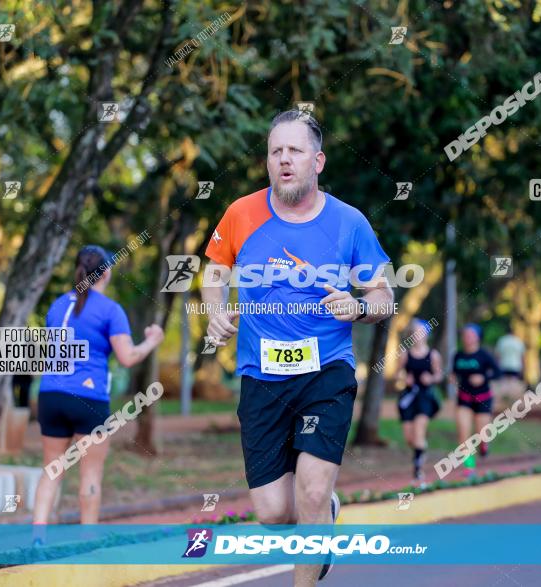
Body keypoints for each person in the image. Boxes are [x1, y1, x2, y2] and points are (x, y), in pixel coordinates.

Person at [202, 110, 394, 585]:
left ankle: (312, 538)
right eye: (276, 152)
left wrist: (359, 306)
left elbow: (385, 296)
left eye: (295, 151)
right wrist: (215, 310)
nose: (284, 160)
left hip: (326, 371)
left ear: (318, 160)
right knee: (272, 513)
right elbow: (214, 271)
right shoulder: (241, 212)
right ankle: (324, 514)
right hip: (260, 374)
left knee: (310, 490)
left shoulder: (349, 222)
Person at [32, 245, 163, 529]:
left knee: (52, 469)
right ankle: (86, 541)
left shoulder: (57, 305)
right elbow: (128, 357)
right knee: (90, 474)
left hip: (50, 395)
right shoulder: (110, 310)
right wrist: (152, 341)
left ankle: (37, 538)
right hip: (88, 398)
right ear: (106, 273)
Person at [395, 318, 442, 486]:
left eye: (420, 332)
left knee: (419, 431)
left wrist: (431, 378)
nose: (417, 336)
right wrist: (403, 379)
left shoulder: (433, 355)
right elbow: (396, 375)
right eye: (414, 332)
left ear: (426, 335)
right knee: (410, 438)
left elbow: (439, 375)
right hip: (408, 398)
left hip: (425, 398)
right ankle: (421, 449)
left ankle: (418, 472)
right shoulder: (405, 355)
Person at [449, 323, 499, 476]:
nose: (467, 337)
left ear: (478, 337)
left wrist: (483, 377)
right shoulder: (458, 355)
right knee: (464, 434)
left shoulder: (484, 355)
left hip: (483, 399)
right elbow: (454, 373)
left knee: (482, 434)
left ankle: (484, 445)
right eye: (465, 334)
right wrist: (452, 379)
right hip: (464, 399)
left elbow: (498, 372)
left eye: (471, 335)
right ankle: (469, 467)